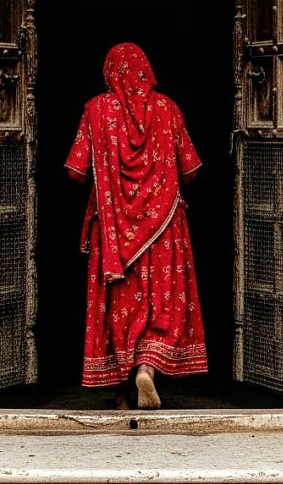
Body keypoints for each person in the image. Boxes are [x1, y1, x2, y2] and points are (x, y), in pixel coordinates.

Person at [65, 42, 207, 409]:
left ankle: (121, 396)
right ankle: (147, 367)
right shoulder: (168, 109)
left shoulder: (96, 111)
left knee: (117, 309)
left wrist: (110, 184)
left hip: (113, 235)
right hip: (163, 232)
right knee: (160, 303)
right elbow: (191, 169)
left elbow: (75, 170)